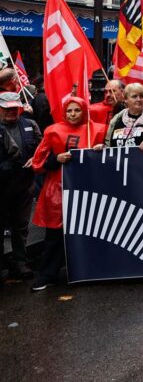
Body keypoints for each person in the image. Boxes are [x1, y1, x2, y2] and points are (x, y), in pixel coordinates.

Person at [30, 96, 104, 290]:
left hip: (88, 190)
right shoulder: (52, 131)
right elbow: (38, 164)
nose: (73, 114)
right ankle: (47, 275)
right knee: (54, 237)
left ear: (84, 110)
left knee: (90, 232)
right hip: (57, 192)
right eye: (69, 110)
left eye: (77, 110)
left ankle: (92, 270)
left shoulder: (97, 129)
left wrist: (101, 150)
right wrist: (56, 159)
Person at [0, 92, 39, 279]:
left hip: (24, 184)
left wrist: (35, 158)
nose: (11, 112)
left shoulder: (30, 124)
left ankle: (20, 263)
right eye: (7, 109)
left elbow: (42, 148)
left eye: (14, 108)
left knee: (21, 225)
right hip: (2, 185)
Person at [103, 84, 143, 150]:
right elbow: (109, 145)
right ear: (125, 99)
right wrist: (103, 148)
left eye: (142, 96)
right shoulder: (116, 120)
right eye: (134, 96)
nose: (138, 99)